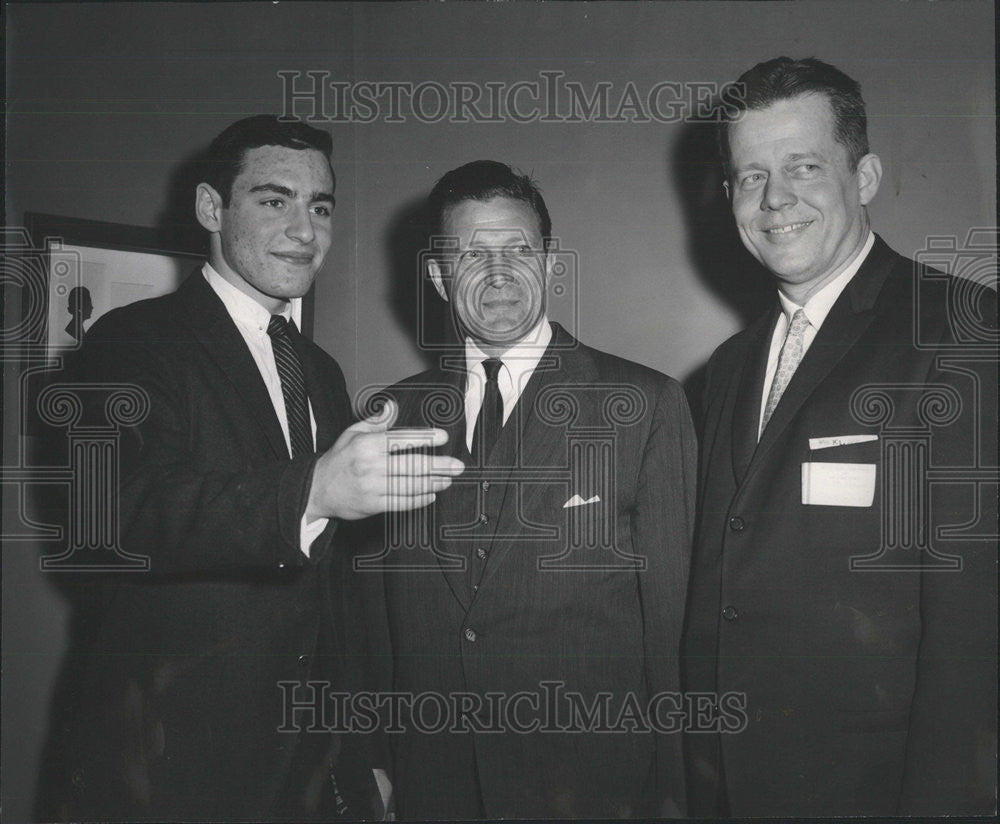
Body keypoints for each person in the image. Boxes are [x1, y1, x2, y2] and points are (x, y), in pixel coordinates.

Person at [36, 115, 463, 821]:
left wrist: (363, 763)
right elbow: (115, 515)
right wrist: (313, 489)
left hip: (308, 770)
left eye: (320, 207)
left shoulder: (317, 369)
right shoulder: (131, 342)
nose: (304, 229)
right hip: (173, 769)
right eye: (274, 200)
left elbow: (332, 596)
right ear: (212, 208)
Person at [682, 57, 997, 817]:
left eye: (803, 167)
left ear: (864, 177)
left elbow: (977, 626)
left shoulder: (960, 331)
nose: (774, 198)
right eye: (750, 176)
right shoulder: (725, 369)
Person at [364, 160, 697, 819]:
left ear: (549, 264)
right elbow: (375, 618)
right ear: (437, 275)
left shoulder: (642, 405)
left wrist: (674, 794)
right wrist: (374, 759)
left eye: (519, 250)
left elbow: (672, 626)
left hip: (594, 786)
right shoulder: (388, 418)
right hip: (435, 783)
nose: (498, 274)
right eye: (471, 253)